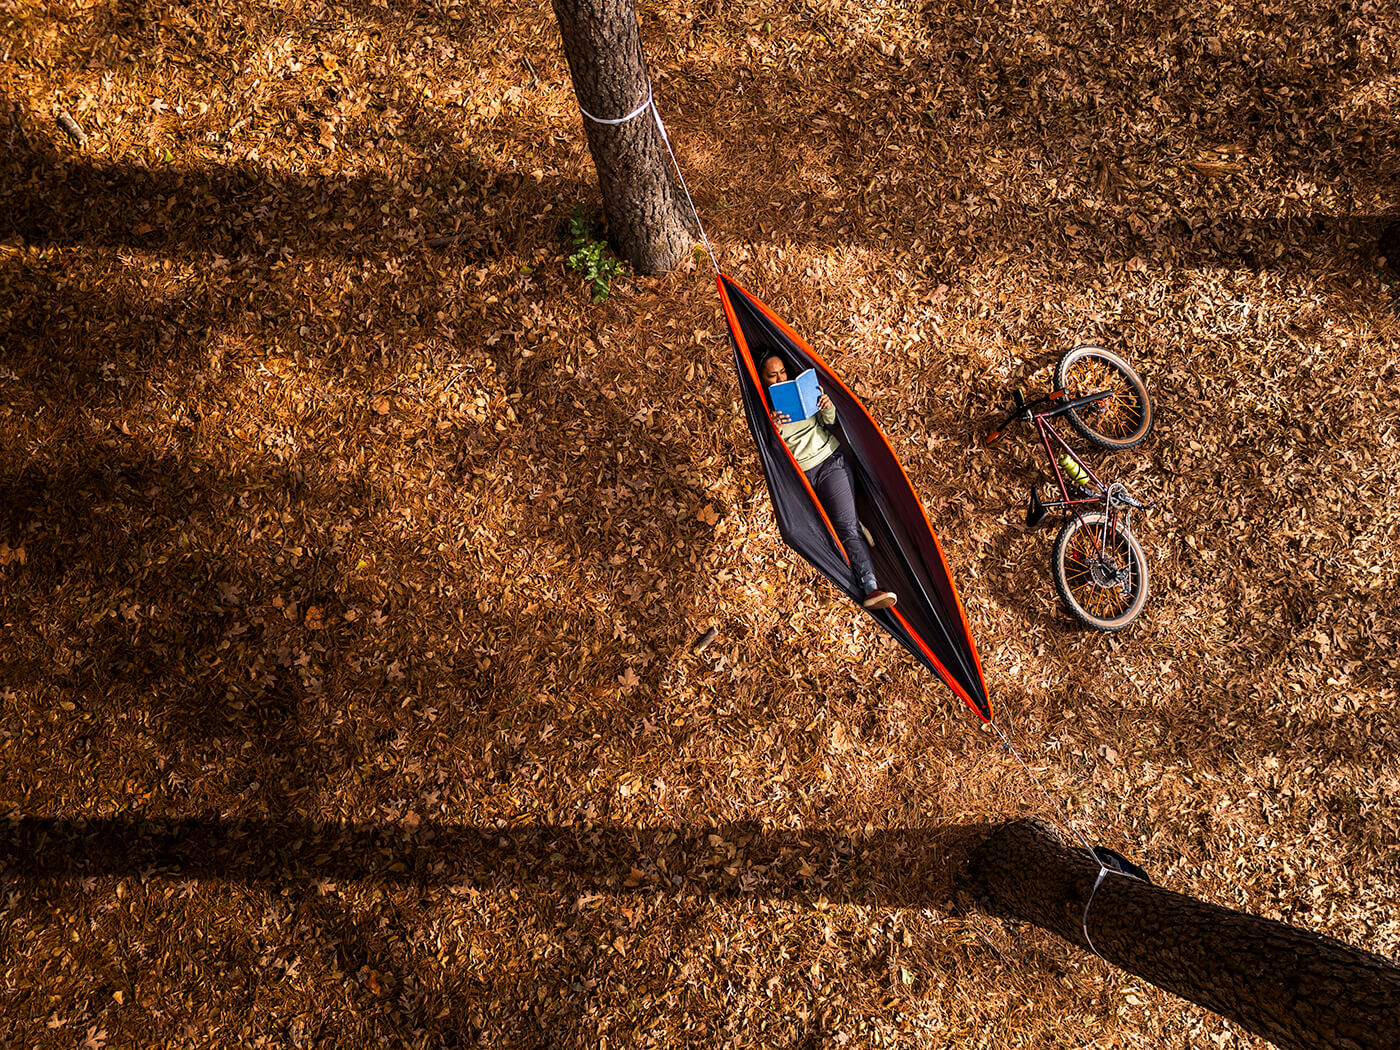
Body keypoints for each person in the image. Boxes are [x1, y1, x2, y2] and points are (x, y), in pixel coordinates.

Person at [758, 352, 897, 611]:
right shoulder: (763, 411)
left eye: (782, 372)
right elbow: (771, 455)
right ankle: (850, 523)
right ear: (762, 378)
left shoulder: (801, 393)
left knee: (847, 530)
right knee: (803, 532)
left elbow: (831, 423)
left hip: (829, 462)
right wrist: (774, 429)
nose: (780, 378)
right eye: (772, 375)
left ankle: (870, 588)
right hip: (799, 476)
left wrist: (826, 406)